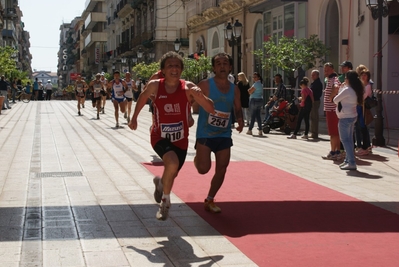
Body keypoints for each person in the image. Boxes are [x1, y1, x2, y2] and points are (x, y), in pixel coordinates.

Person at [128, 51, 215, 221]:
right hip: (159, 136)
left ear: (181, 70)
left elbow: (210, 108)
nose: (174, 69)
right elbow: (143, 98)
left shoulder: (188, 87)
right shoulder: (155, 85)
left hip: (181, 140)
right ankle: (165, 203)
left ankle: (160, 184)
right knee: (172, 163)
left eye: (177, 66)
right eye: (170, 66)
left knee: (172, 172)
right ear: (163, 70)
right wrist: (134, 118)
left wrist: (200, 96)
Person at [194, 52, 244, 214]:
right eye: (218, 64)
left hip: (224, 134)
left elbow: (237, 107)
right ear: (214, 68)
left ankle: (210, 199)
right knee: (203, 169)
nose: (222, 66)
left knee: (222, 168)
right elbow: (188, 99)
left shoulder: (235, 89)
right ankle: (197, 158)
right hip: (205, 134)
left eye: (225, 63)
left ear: (230, 67)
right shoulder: (205, 85)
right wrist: (187, 116)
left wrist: (240, 120)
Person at [333, 70, 364, 170]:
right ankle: (347, 160)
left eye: (346, 78)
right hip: (352, 116)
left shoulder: (347, 90)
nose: (345, 80)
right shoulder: (356, 89)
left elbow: (335, 100)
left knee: (345, 140)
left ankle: (351, 162)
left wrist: (341, 88)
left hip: (345, 117)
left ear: (349, 79)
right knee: (349, 140)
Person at [322, 62, 342, 160]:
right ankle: (337, 152)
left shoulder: (332, 79)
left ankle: (333, 152)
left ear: (332, 70)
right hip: (332, 109)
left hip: (331, 109)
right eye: (325, 70)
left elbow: (336, 87)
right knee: (336, 132)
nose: (325, 72)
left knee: (333, 133)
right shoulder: (332, 79)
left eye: (327, 69)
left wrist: (330, 97)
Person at [355, 69, 373, 156]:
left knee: (363, 127)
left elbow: (363, 97)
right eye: (362, 75)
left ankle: (366, 146)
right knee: (358, 127)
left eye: (365, 75)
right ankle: (362, 146)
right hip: (359, 107)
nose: (363, 76)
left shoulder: (368, 86)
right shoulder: (361, 85)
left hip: (363, 108)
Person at [246, 72, 264, 136]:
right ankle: (260, 129)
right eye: (253, 77)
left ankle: (250, 129)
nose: (254, 78)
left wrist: (249, 90)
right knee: (258, 116)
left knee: (253, 116)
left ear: (258, 77)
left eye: (255, 77)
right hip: (260, 100)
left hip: (254, 100)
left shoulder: (256, 84)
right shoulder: (260, 84)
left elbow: (250, 91)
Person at [309, 70, 323, 139]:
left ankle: (314, 133)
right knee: (312, 117)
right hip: (312, 101)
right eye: (312, 75)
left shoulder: (318, 83)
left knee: (314, 117)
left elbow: (315, 93)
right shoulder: (314, 82)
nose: (312, 76)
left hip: (315, 101)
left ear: (317, 75)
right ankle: (312, 132)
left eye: (313, 75)